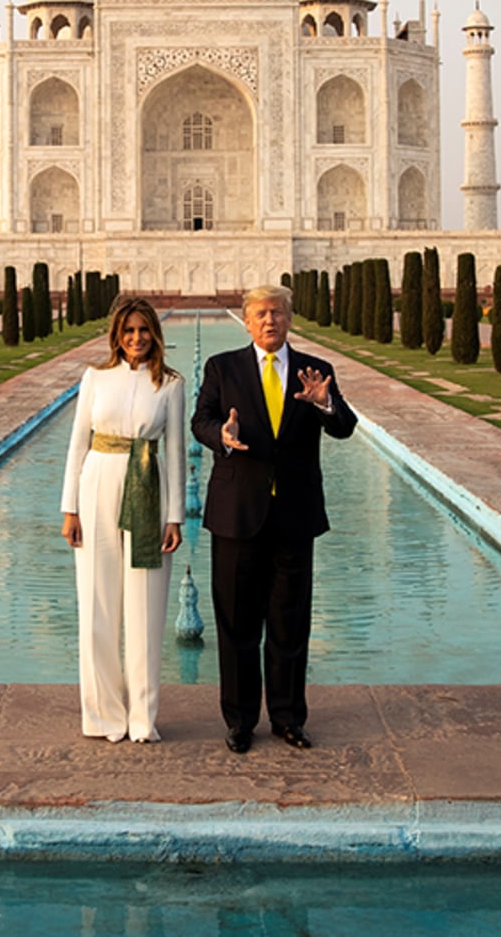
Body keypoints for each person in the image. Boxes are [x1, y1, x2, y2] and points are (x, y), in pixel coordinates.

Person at [192, 284, 356, 753]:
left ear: (290, 319)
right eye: (261, 313)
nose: (270, 321)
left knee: (289, 624)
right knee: (237, 626)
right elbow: (199, 419)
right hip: (237, 515)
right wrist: (221, 435)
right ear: (246, 320)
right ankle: (240, 721)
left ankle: (288, 718)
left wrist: (325, 402)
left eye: (278, 313)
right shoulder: (223, 367)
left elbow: (344, 426)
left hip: (293, 515)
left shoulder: (315, 371)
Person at [59, 296, 186, 742]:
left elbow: (174, 451)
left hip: (149, 489)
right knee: (97, 604)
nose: (136, 339)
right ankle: (102, 716)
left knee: (146, 609)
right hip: (97, 486)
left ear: (155, 334)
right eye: (128, 331)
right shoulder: (95, 378)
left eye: (144, 331)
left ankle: (141, 719)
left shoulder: (170, 383)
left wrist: (175, 517)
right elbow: (78, 443)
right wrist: (69, 507)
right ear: (116, 335)